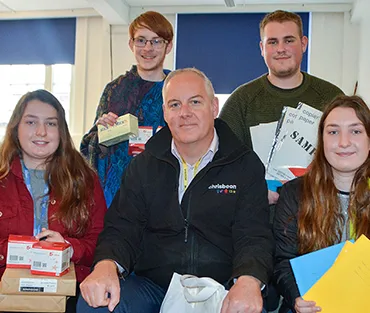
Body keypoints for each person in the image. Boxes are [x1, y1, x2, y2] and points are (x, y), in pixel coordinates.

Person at [77, 68, 274, 313]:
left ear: (214, 107)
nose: (185, 113)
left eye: (195, 102)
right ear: (165, 113)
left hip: (222, 288)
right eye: (174, 104)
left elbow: (254, 234)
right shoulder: (143, 165)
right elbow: (122, 226)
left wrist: (248, 279)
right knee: (95, 304)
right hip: (154, 287)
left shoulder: (245, 165)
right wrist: (106, 264)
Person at [219, 10, 343, 204]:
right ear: (262, 48)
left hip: (320, 216)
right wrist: (255, 189)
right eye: (273, 42)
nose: (281, 49)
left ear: (303, 44)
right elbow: (222, 164)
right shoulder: (240, 101)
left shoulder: (331, 97)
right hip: (258, 221)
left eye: (289, 40)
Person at [0, 90, 107, 313]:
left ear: (61, 132)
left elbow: (101, 241)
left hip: (68, 291)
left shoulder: (85, 180)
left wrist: (67, 248)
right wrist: (21, 250)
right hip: (5, 288)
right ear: (15, 128)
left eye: (51, 123)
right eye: (31, 122)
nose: (41, 132)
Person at [273, 95, 370, 313]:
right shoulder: (295, 193)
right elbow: (283, 262)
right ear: (322, 140)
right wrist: (296, 297)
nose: (343, 142)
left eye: (355, 131)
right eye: (333, 132)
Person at [80, 11, 173, 207]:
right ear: (131, 44)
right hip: (117, 196)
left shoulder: (176, 90)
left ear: (168, 46)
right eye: (141, 40)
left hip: (163, 191)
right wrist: (101, 132)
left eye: (156, 41)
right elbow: (90, 147)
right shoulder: (114, 90)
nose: (148, 48)